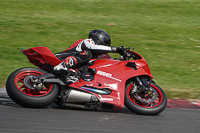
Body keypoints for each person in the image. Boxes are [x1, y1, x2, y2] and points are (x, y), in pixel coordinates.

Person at [54, 29, 121, 74]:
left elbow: (110, 62)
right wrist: (115, 49)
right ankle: (64, 65)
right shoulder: (87, 41)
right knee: (87, 54)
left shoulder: (99, 55)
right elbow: (93, 47)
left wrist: (121, 62)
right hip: (60, 57)